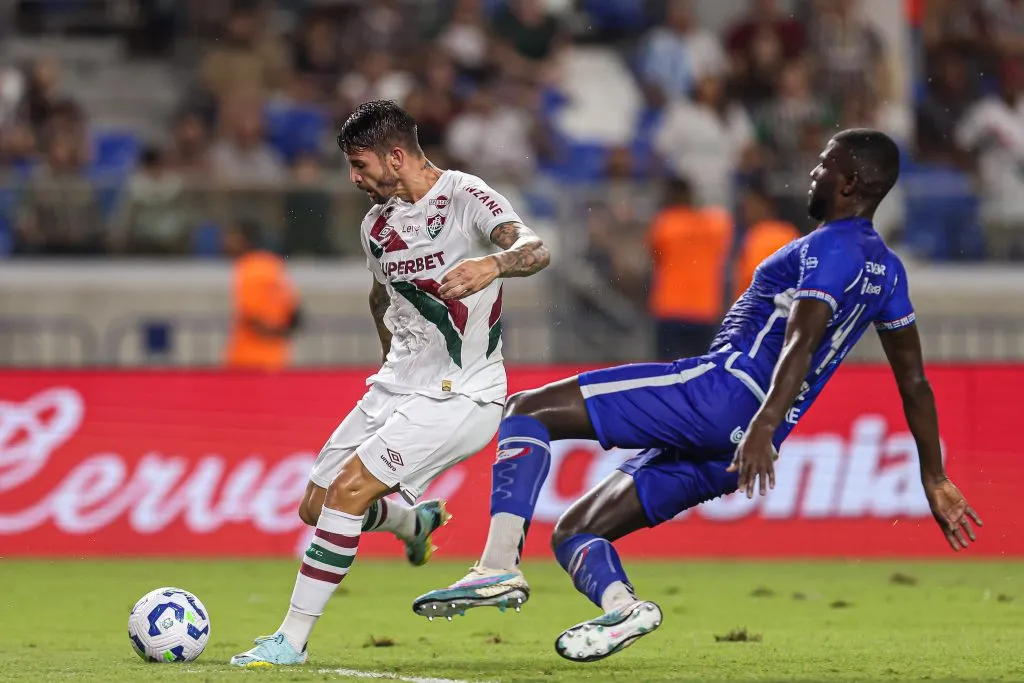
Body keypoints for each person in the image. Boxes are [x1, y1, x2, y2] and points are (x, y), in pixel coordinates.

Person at [413, 129, 982, 662]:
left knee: (526, 410)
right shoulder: (887, 270)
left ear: (852, 183)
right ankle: (623, 610)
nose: (813, 174)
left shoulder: (831, 249)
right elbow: (914, 381)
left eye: (824, 165)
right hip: (738, 449)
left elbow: (802, 341)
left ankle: (496, 566)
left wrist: (760, 421)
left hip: (723, 395)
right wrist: (933, 475)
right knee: (577, 531)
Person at [230, 100, 551, 667]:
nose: (354, 179)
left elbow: (534, 249)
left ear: (396, 156)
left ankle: (290, 642)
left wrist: (492, 266)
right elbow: (381, 295)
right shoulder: (376, 226)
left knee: (350, 492)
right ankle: (413, 521)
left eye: (360, 165)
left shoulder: (465, 196)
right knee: (317, 505)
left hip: (463, 391)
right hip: (398, 384)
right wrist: (389, 360)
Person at [224, 218, 302, 370]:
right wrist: (281, 334)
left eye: (231, 236)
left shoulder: (247, 268)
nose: (226, 241)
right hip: (277, 358)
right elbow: (295, 313)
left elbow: (250, 315)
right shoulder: (273, 264)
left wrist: (271, 333)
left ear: (243, 239)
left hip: (248, 360)